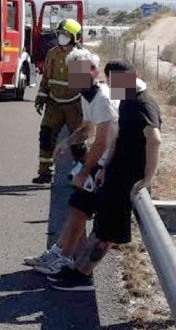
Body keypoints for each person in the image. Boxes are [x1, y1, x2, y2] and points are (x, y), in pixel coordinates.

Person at [49, 61, 162, 291]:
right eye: (111, 82)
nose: (113, 87)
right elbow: (117, 138)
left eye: (116, 82)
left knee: (108, 229)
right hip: (115, 173)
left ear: (131, 78)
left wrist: (147, 179)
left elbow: (155, 139)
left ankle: (83, 276)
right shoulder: (127, 100)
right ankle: (78, 268)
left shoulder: (143, 103)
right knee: (102, 225)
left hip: (128, 178)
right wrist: (104, 168)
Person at [24, 49, 118, 275]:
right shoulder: (87, 96)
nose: (76, 77)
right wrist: (66, 142)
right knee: (76, 208)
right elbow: (87, 129)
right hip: (105, 160)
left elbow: (101, 142)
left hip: (113, 162)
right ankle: (58, 254)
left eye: (82, 72)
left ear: (94, 72)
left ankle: (62, 257)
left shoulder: (102, 98)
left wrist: (85, 172)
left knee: (79, 207)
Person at [32, 18, 83, 184]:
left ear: (75, 37)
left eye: (65, 35)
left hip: (74, 105)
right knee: (46, 135)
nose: (62, 37)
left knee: (78, 141)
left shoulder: (79, 57)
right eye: (60, 34)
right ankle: (44, 172)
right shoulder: (52, 53)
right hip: (54, 103)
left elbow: (83, 86)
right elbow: (46, 77)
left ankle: (81, 174)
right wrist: (41, 95)